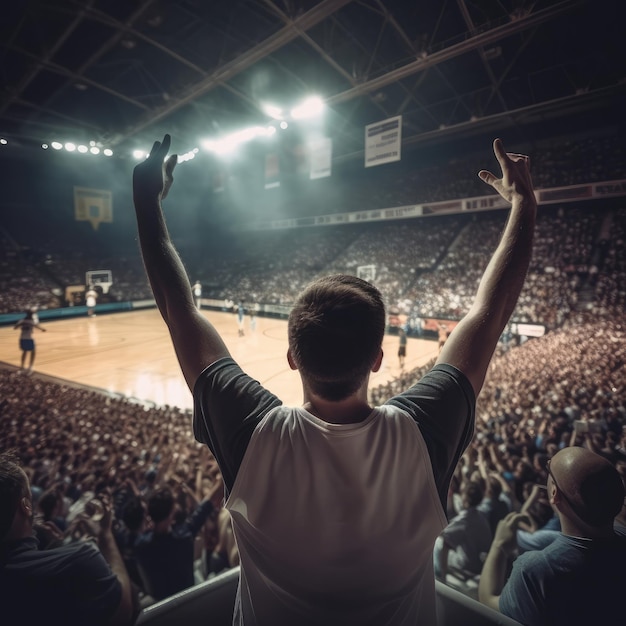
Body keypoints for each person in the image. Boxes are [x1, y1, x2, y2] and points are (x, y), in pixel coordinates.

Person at [132, 135, 536, 624]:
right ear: (378, 359)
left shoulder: (255, 434)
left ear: (292, 359)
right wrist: (523, 204)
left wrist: (146, 205)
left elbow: (180, 313)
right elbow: (487, 316)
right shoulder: (421, 432)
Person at [478, 447, 626, 626]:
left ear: (555, 493)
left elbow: (488, 601)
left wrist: (499, 545)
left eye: (549, 469)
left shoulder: (536, 572)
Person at [0, 451, 136, 626]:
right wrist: (105, 535)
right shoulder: (80, 562)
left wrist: (54, 546)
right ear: (26, 506)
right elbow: (124, 612)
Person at [134, 478, 223, 601]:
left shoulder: (140, 545)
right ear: (172, 513)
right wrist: (220, 483)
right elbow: (205, 506)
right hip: (189, 599)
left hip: (161, 608)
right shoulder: (183, 537)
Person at [434, 481, 493, 581]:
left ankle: (438, 576)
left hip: (467, 565)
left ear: (465, 498)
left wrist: (444, 574)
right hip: (480, 563)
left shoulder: (465, 519)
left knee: (438, 543)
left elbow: (446, 541)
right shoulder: (481, 516)